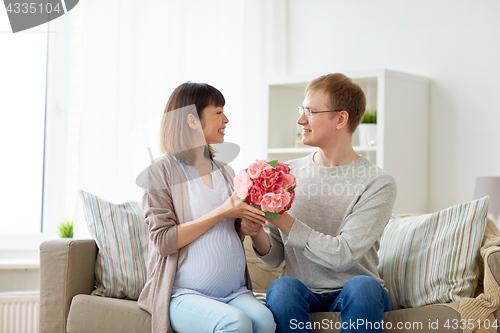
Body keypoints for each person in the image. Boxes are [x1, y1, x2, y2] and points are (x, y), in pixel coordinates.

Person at [242, 73, 397, 333]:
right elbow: (275, 258)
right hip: (301, 289)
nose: (300, 120)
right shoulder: (286, 173)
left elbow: (343, 256)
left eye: (311, 112)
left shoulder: (378, 182)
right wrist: (257, 229)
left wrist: (282, 219)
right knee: (282, 288)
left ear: (341, 118)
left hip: (358, 291)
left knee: (362, 287)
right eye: (302, 110)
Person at [137, 82, 276, 333]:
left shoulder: (226, 171)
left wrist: (249, 225)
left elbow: (238, 231)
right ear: (192, 120)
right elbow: (163, 240)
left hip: (234, 292)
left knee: (265, 322)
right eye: (219, 112)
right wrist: (224, 211)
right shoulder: (161, 172)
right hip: (183, 294)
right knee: (235, 323)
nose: (226, 119)